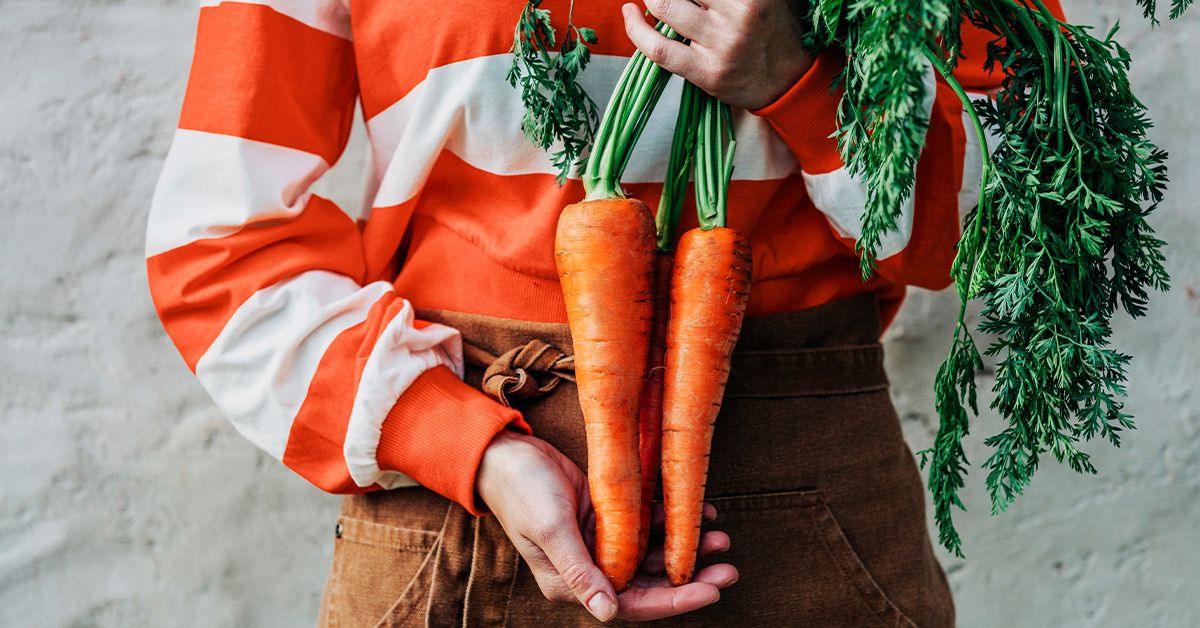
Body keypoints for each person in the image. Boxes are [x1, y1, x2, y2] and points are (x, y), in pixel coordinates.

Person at [147, 0, 1063, 624]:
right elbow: (220, 249)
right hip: (457, 498)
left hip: (814, 479)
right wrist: (464, 442)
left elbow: (1018, 203)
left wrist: (799, 82)